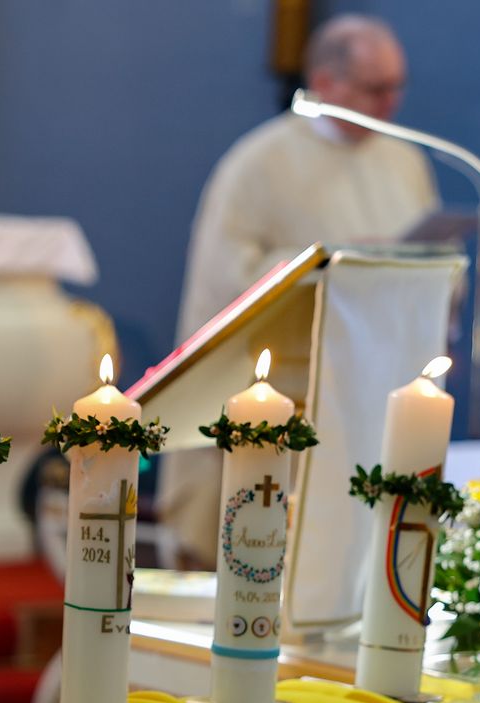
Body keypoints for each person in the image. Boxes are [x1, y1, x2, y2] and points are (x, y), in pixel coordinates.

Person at [164, 15, 438, 566]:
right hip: (290, 395)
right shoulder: (258, 163)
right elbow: (225, 277)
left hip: (373, 387)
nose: (391, 104)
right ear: (325, 81)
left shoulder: (404, 160)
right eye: (375, 89)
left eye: (397, 87)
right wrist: (326, 262)